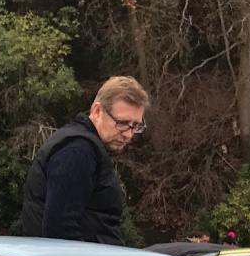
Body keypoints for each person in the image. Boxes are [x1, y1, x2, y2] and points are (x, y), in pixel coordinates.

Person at [14, 75, 149, 244]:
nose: (129, 134)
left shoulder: (84, 146)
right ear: (97, 111)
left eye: (135, 126)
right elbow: (60, 230)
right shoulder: (78, 151)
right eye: (122, 123)